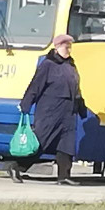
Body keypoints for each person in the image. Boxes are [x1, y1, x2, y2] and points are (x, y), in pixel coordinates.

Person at [10, 33, 88, 186]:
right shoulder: (48, 65)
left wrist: (81, 107)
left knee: (66, 144)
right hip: (50, 110)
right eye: (67, 47)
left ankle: (63, 176)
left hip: (68, 112)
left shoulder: (70, 64)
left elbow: (75, 88)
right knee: (41, 142)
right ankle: (16, 167)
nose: (69, 50)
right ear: (57, 47)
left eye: (70, 47)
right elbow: (35, 86)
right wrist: (26, 104)